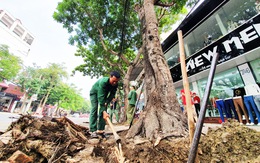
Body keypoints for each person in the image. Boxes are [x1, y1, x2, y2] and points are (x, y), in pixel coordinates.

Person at [89, 71, 120, 138]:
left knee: (103, 111)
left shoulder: (116, 84)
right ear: (110, 77)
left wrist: (107, 101)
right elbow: (100, 96)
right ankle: (92, 130)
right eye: (113, 81)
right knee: (94, 108)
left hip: (104, 95)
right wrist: (103, 106)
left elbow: (112, 94)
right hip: (95, 93)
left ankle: (100, 130)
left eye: (116, 81)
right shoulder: (103, 82)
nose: (114, 83)